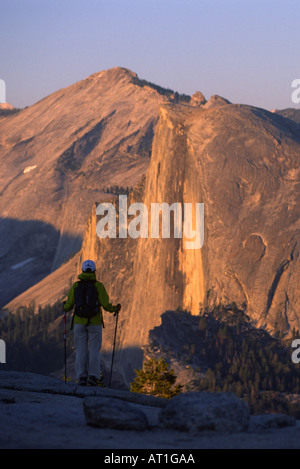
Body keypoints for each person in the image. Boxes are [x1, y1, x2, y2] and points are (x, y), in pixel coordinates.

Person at [63, 259, 121, 386]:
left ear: (82, 270)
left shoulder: (76, 286)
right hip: (95, 323)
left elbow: (69, 305)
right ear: (94, 271)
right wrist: (115, 309)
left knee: (80, 350)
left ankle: (81, 377)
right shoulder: (98, 286)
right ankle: (94, 377)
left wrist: (65, 307)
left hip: (79, 323)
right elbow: (105, 305)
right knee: (94, 350)